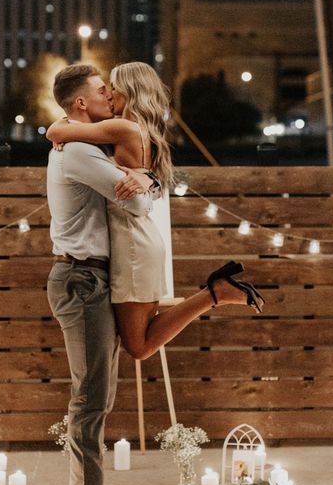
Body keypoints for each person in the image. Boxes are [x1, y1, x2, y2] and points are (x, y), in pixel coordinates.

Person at [46, 60, 264, 366]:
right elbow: (152, 180)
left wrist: (63, 133)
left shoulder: (121, 127)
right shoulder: (142, 132)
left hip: (131, 242)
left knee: (139, 346)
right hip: (140, 239)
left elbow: (55, 130)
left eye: (113, 89)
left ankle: (214, 293)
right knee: (140, 341)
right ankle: (215, 293)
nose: (108, 96)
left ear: (128, 92)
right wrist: (147, 177)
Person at [46, 63, 155, 485]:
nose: (110, 96)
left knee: (97, 399)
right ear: (80, 105)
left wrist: (143, 179)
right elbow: (135, 204)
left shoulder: (85, 146)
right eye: (100, 91)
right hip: (81, 278)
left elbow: (141, 187)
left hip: (90, 278)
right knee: (90, 401)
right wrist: (142, 184)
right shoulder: (78, 151)